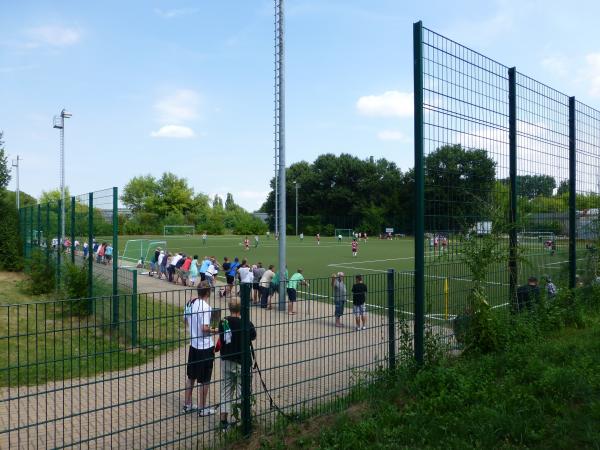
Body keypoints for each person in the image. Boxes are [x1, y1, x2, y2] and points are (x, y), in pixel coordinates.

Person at [218, 299, 257, 430]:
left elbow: (222, 337)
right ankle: (243, 419)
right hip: (242, 362)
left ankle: (223, 421)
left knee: (225, 389)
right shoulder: (245, 323)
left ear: (229, 308)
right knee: (243, 390)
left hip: (226, 360)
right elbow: (253, 335)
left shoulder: (223, 322)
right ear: (241, 309)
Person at [182, 281, 216, 416]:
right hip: (205, 346)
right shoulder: (206, 307)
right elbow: (205, 328)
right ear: (208, 292)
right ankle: (202, 408)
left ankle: (187, 404)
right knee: (205, 379)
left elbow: (185, 320)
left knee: (191, 376)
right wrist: (218, 330)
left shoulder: (190, 303)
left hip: (193, 345)